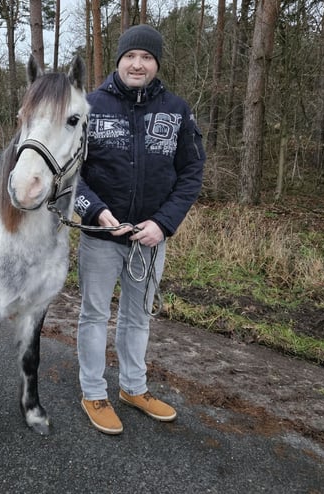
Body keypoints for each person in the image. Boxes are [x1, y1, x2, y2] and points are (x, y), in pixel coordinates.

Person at [74, 24, 206, 435]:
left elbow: (192, 172)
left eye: (146, 57)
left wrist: (163, 225)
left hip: (149, 240)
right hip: (101, 238)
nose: (137, 63)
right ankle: (94, 392)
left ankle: (134, 388)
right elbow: (67, 173)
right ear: (118, 61)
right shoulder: (88, 106)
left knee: (137, 318)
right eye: (130, 56)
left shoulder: (177, 110)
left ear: (156, 64)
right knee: (94, 314)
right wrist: (93, 211)